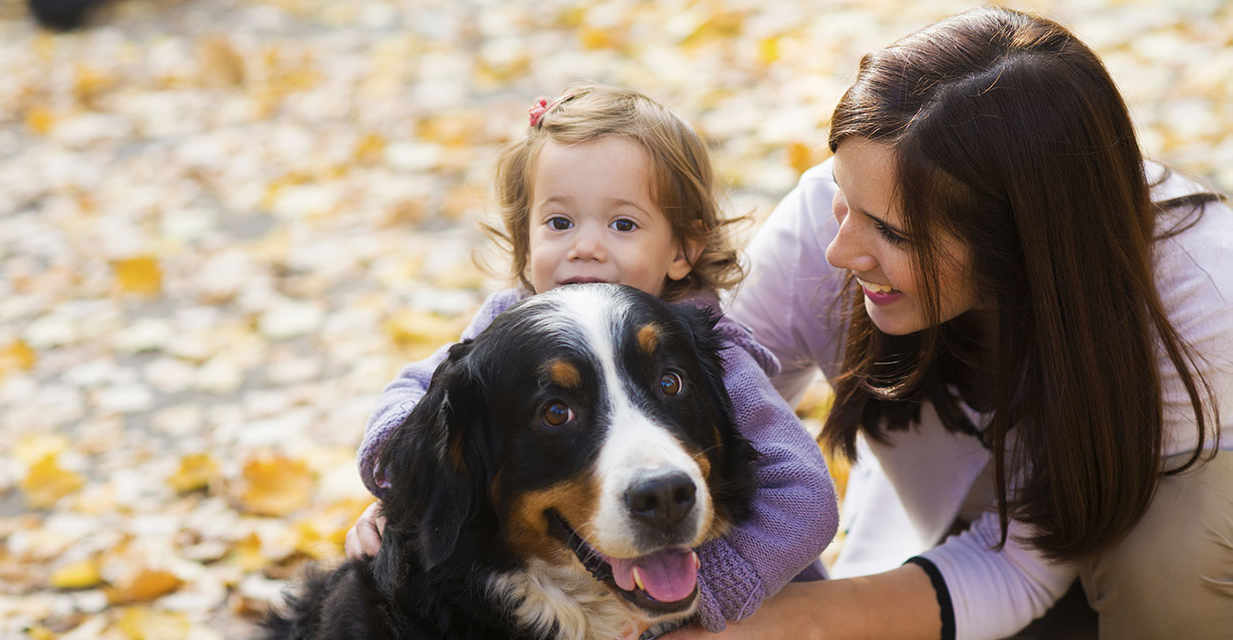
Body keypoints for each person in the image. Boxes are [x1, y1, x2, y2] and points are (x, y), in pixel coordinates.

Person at [666, 6, 1233, 640]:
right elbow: (716, 410)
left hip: (1156, 500)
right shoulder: (829, 226)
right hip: (956, 527)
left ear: (1017, 243)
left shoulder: (1202, 300)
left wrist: (782, 625)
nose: (839, 250)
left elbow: (1026, 560)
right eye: (841, 195)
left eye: (892, 232)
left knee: (1173, 562)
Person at [346, 84, 840, 632]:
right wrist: (406, 493)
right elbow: (420, 397)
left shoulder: (711, 348)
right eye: (560, 223)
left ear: (683, 250)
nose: (587, 247)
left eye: (623, 224)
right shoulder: (499, 339)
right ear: (525, 243)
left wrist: (712, 585)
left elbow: (804, 494)